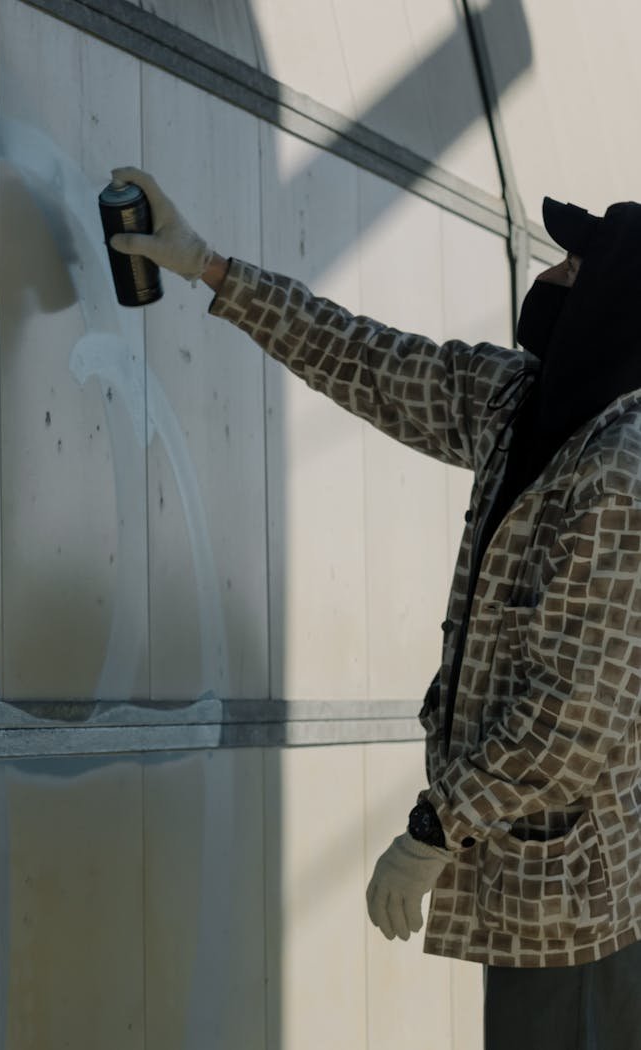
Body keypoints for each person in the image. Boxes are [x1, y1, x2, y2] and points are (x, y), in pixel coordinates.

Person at [109, 166, 641, 1050]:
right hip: (527, 872)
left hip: (576, 898)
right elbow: (367, 360)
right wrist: (212, 269)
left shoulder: (620, 469)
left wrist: (439, 824)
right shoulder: (520, 404)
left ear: (618, 301)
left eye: (571, 265)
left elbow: (575, 718)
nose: (547, 277)